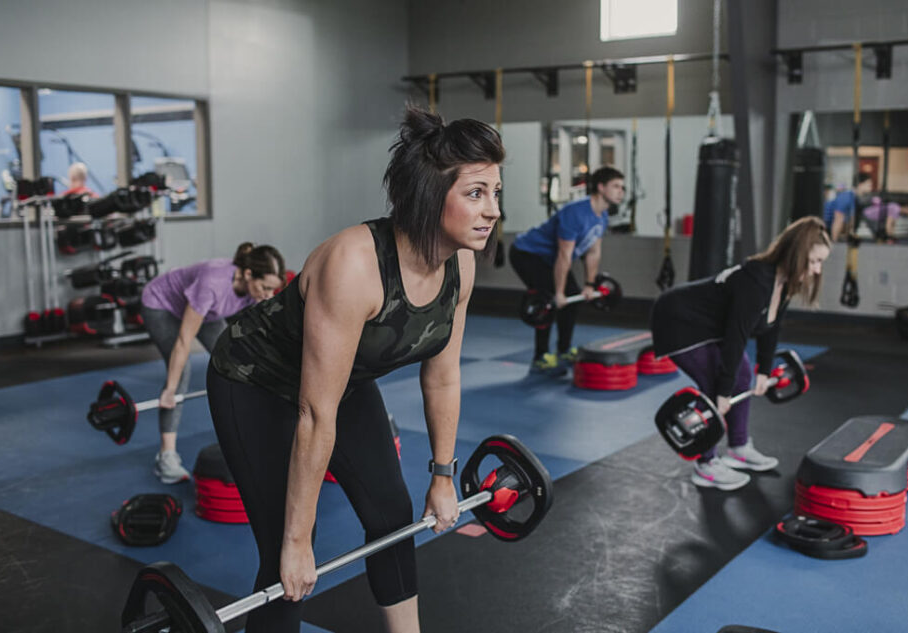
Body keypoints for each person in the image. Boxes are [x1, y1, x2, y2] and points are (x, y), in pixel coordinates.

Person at [206, 106, 504, 633]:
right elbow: (315, 413)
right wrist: (298, 545)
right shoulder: (354, 264)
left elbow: (443, 375)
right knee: (286, 555)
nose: (492, 210)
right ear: (432, 195)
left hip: (341, 385)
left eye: (495, 193)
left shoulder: (461, 264)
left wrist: (442, 476)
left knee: (391, 514)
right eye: (476, 193)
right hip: (255, 382)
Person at [650, 216, 832, 491]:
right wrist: (723, 392)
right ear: (796, 255)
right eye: (814, 261)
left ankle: (738, 447)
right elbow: (736, 338)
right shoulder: (757, 281)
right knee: (714, 383)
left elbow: (772, 326)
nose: (818, 270)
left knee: (743, 374)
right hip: (678, 320)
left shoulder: (783, 282)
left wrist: (763, 370)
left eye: (821, 263)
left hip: (708, 326)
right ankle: (706, 464)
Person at [140, 243, 285, 483]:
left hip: (207, 312)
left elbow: (256, 338)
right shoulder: (213, 284)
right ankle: (166, 457)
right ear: (248, 274)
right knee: (181, 372)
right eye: (265, 288)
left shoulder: (252, 291)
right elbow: (184, 341)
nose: (268, 295)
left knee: (235, 358)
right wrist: (170, 390)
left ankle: (249, 434)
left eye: (273, 290)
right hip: (161, 305)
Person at [509, 166, 625, 374]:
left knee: (573, 299)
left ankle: (563, 349)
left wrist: (590, 285)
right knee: (548, 299)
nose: (621, 192)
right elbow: (564, 256)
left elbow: (593, 253)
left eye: (622, 187)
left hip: (551, 259)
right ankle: (541, 355)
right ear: (601, 187)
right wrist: (559, 293)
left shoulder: (602, 215)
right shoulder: (576, 213)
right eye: (616, 186)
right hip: (527, 254)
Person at [824, 172, 872, 241]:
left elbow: (849, 223)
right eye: (869, 185)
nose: (871, 188)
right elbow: (837, 220)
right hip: (821, 224)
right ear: (860, 185)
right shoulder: (847, 197)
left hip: (828, 227)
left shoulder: (854, 199)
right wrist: (835, 244)